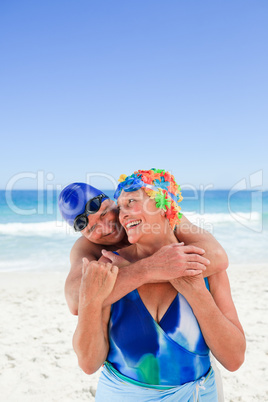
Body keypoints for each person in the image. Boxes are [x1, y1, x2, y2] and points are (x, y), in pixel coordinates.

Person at [71, 169, 246, 401]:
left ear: (164, 204)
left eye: (131, 202)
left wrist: (195, 292)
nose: (121, 216)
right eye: (120, 207)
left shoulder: (203, 264)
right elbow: (88, 363)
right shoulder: (109, 266)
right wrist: (146, 270)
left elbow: (234, 359)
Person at [59, 181, 228, 317]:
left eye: (104, 214)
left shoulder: (154, 215)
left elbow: (217, 256)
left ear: (113, 203)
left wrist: (123, 274)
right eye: (92, 229)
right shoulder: (87, 247)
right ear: (83, 234)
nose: (105, 227)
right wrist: (149, 269)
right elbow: (75, 302)